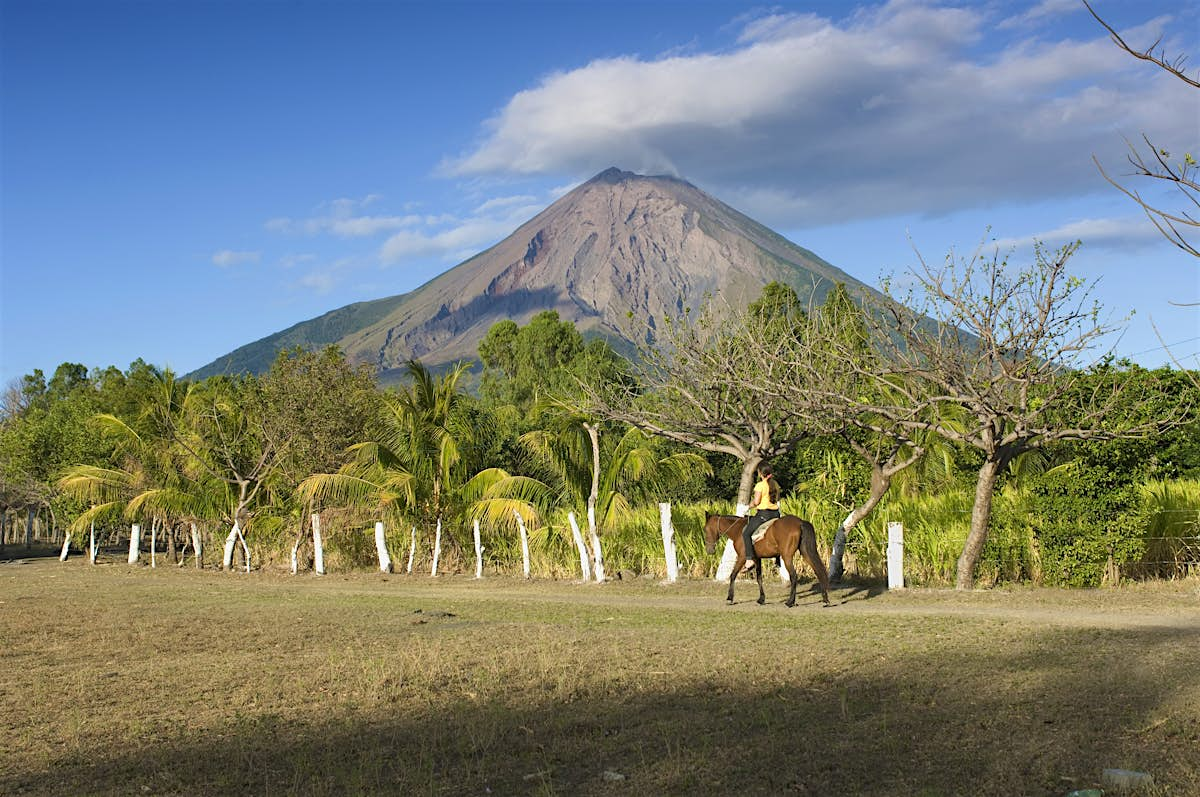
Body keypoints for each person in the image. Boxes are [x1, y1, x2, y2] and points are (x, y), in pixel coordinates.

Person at [741, 463, 781, 572]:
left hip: (764, 515)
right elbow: (777, 499)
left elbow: (756, 502)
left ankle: (749, 559)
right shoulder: (775, 484)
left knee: (746, 533)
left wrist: (748, 506)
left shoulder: (760, 485)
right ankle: (777, 559)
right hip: (776, 514)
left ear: (760, 473)